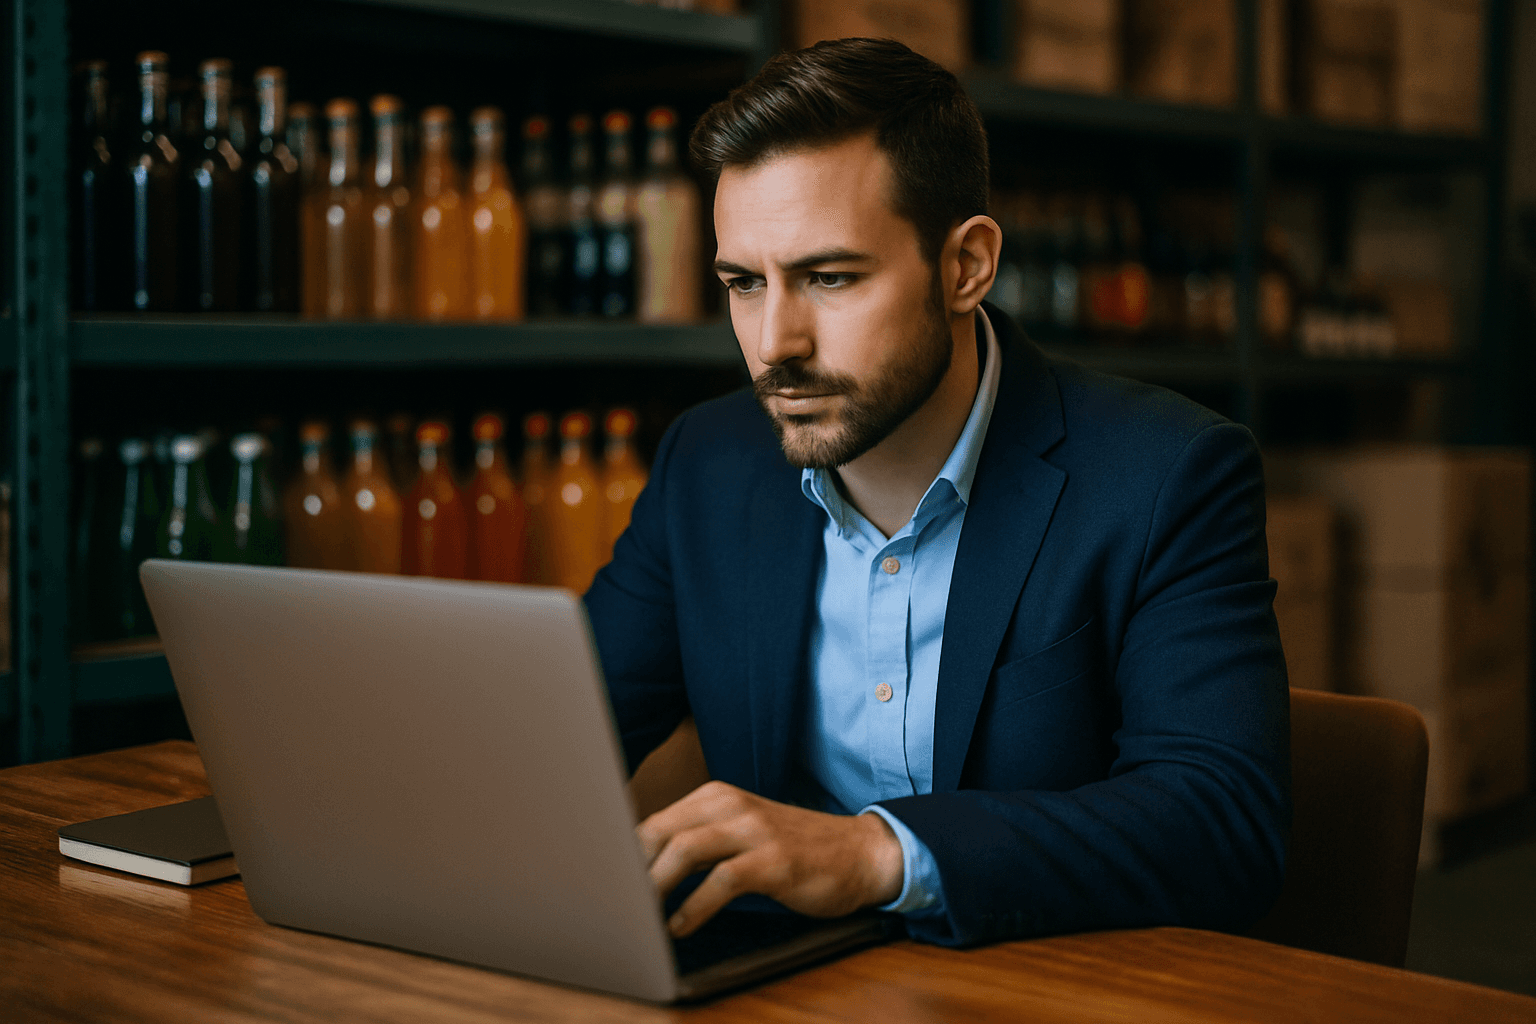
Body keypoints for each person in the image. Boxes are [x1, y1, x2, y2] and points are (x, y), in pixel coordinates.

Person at [584, 37, 1289, 948]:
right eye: (742, 284)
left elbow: (1224, 825)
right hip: (777, 992)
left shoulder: (1169, 472)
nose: (775, 340)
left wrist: (877, 854)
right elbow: (563, 736)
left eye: (829, 278)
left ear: (967, 267)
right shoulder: (706, 463)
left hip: (1040, 994)